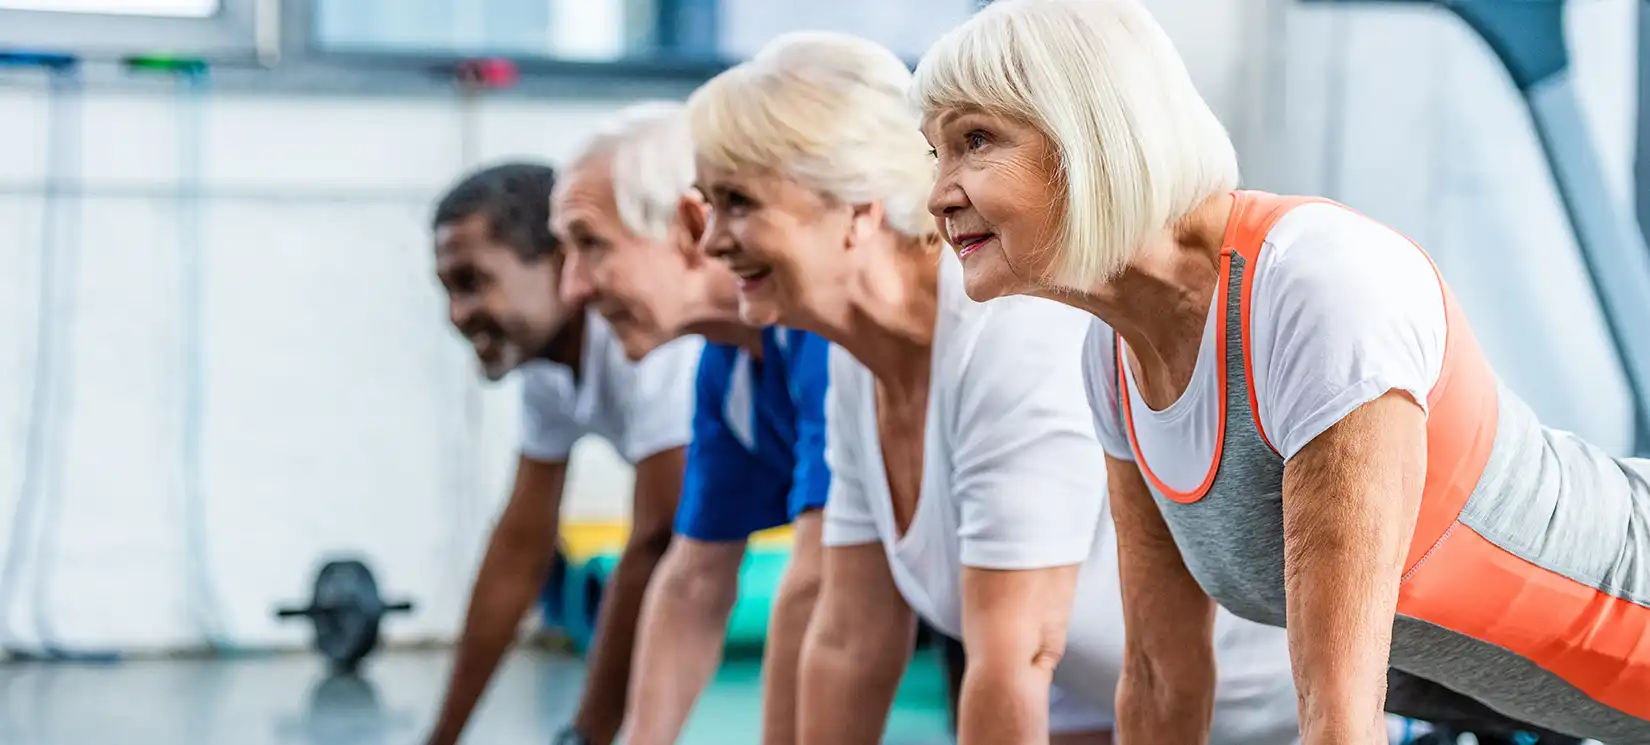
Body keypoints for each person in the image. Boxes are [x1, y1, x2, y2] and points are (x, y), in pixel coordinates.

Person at [911, 1, 1650, 743]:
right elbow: (1163, 678)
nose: (939, 193)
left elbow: (1338, 721)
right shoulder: (1114, 356)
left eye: (974, 141)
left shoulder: (1316, 289)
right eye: (933, 154)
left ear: (1088, 131)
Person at [685, 31, 1303, 745]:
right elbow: (852, 636)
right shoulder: (858, 363)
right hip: (1121, 710)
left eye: (736, 202)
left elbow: (1015, 658)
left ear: (854, 204)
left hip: (1271, 722)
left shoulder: (1010, 331)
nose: (710, 243)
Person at [550, 101, 833, 745]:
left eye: (591, 245)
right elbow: (694, 581)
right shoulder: (727, 366)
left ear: (687, 225)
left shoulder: (822, 338)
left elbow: (822, 584)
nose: (573, 288)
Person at [424, 162, 703, 745]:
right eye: (447, 289)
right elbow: (519, 551)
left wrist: (587, 735)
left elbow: (658, 537)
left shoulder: (647, 337)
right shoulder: (550, 364)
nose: (456, 315)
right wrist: (442, 738)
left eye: (473, 281)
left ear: (560, 261)